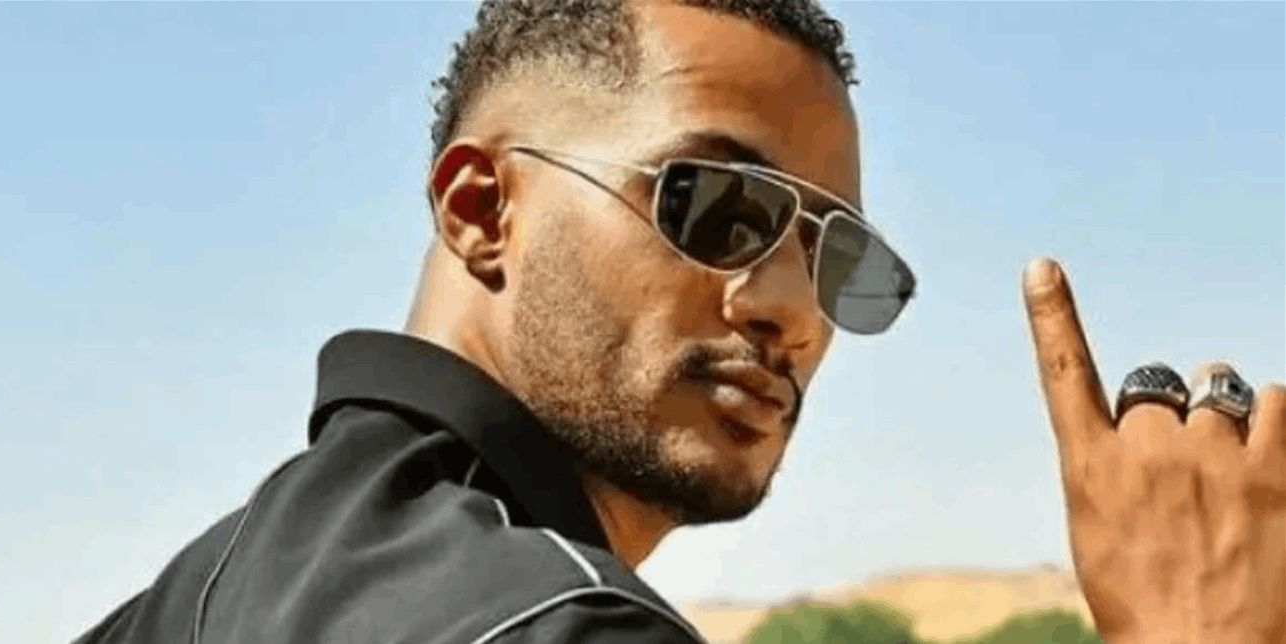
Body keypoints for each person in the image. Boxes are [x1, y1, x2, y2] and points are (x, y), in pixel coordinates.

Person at [75, 1, 1285, 642]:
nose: (790, 311)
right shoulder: (542, 624)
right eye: (716, 206)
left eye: (836, 257)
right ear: (482, 209)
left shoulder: (195, 595)